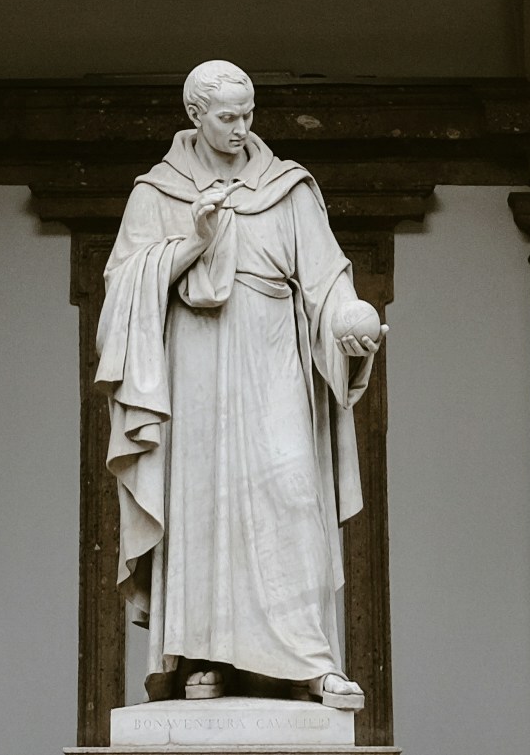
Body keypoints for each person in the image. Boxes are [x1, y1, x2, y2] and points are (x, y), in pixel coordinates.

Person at [93, 59, 387, 711]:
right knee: (200, 502)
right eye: (228, 115)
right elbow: (120, 291)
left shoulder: (289, 188)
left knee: (291, 492)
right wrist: (191, 242)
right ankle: (203, 658)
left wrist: (346, 323)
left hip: (275, 358)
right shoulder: (157, 192)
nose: (241, 125)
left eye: (248, 112)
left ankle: (311, 661)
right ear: (195, 116)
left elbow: (328, 279)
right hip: (193, 369)